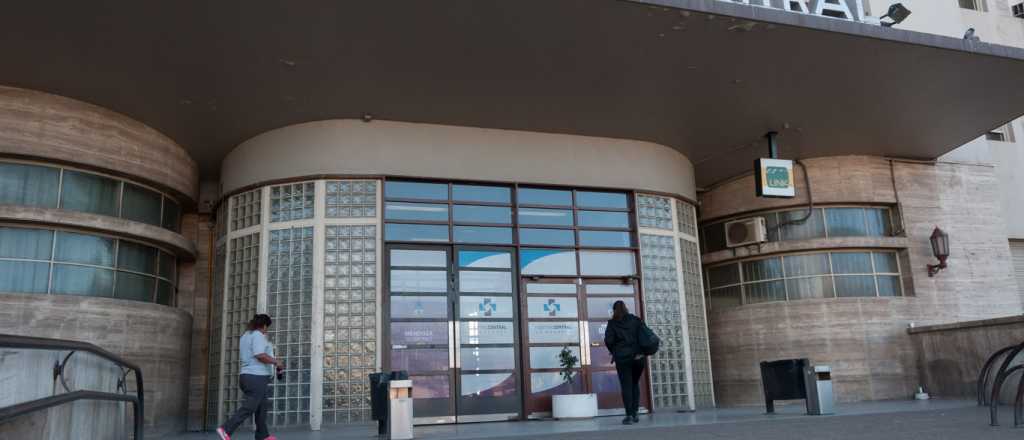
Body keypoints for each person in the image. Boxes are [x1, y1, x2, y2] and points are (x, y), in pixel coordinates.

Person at [216, 314, 284, 440]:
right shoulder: (258, 335)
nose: (266, 330)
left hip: (249, 376)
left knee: (261, 407)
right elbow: (260, 355)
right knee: (250, 406)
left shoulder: (246, 335)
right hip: (256, 377)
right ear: (264, 326)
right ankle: (226, 429)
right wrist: (276, 362)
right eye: (267, 327)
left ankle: (262, 436)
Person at [604, 300, 646, 425]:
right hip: (638, 357)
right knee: (634, 383)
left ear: (614, 310)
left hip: (622, 358)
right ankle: (635, 413)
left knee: (626, 385)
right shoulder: (635, 320)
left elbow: (608, 341)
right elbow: (644, 335)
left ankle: (629, 416)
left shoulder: (612, 323)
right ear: (626, 308)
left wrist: (615, 351)